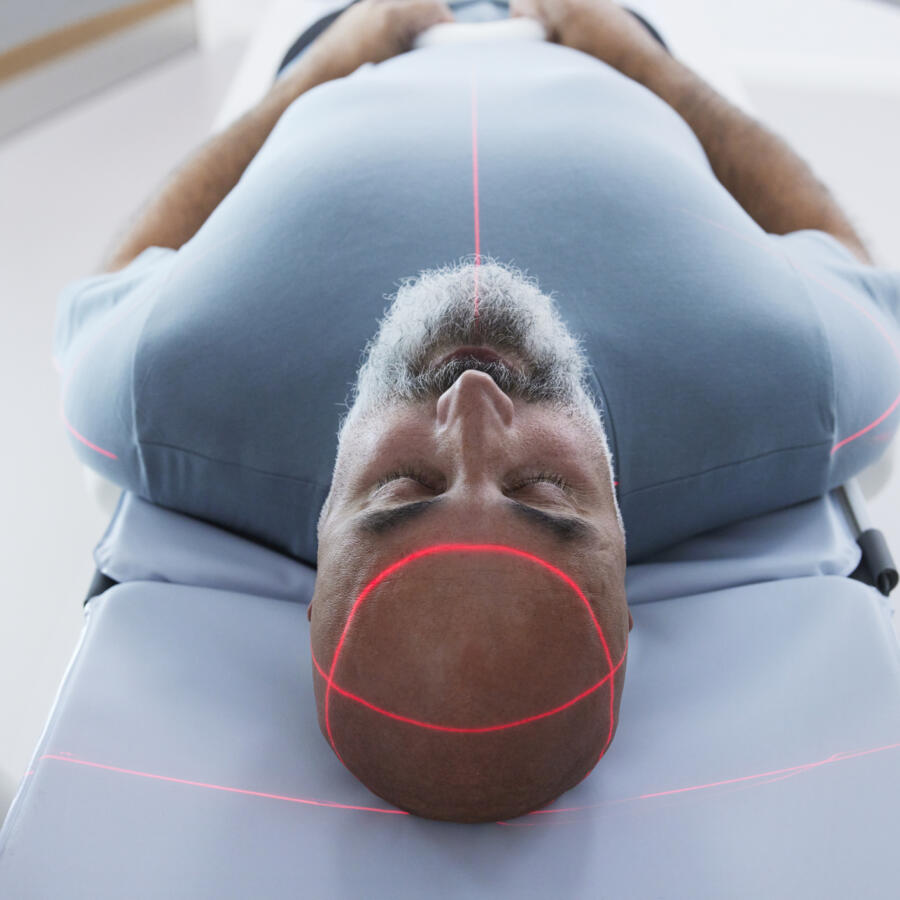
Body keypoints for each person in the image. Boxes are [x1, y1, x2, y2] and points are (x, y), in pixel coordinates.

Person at [53, 0, 900, 822]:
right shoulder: (791, 386)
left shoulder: (162, 393)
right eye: (539, 489)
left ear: (319, 569)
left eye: (400, 486)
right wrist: (634, 56)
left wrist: (336, 56)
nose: (472, 404)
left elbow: (114, 285)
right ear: (623, 573)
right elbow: (852, 276)